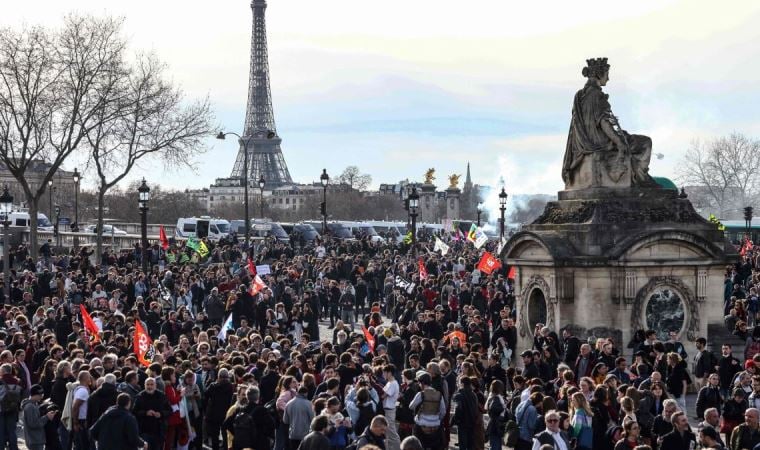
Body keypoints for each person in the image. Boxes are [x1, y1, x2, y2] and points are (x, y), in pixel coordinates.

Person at [133, 377, 171, 450]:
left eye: (151, 384)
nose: (149, 386)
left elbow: (169, 410)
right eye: (148, 384)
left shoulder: (162, 396)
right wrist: (145, 413)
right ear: (144, 385)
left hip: (159, 430)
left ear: (155, 385)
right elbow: (134, 412)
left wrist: (161, 414)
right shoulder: (140, 396)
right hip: (144, 430)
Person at [22, 384, 57, 450]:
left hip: (36, 439)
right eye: (40, 395)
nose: (41, 397)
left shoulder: (34, 404)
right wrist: (47, 417)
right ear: (35, 394)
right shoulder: (30, 407)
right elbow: (33, 424)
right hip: (34, 440)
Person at [283, 386, 315, 450]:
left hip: (293, 434)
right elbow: (313, 419)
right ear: (306, 393)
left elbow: (285, 421)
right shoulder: (308, 404)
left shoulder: (289, 404)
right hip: (305, 435)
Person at [0, 363, 22, 450]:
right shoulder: (17, 381)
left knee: (1, 430)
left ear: (3, 371)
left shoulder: (0, 380)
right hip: (13, 408)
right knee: (12, 430)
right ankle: (14, 447)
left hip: (1, 408)